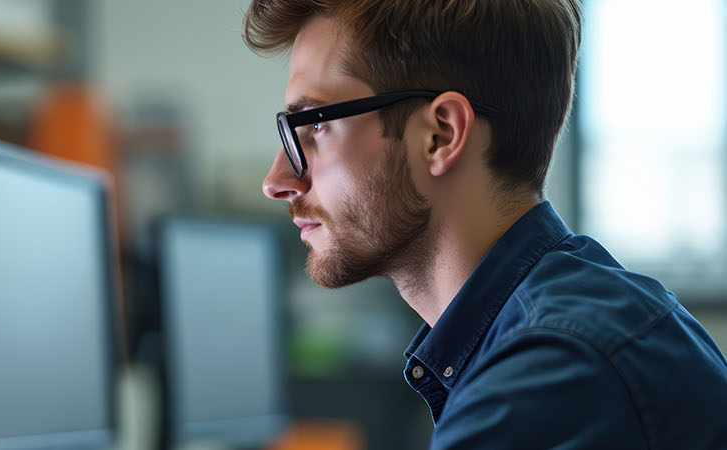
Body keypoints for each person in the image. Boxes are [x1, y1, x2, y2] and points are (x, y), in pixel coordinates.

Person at [246, 0, 727, 448]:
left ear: (441, 135)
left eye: (314, 125)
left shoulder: (555, 371)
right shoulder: (566, 320)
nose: (277, 180)